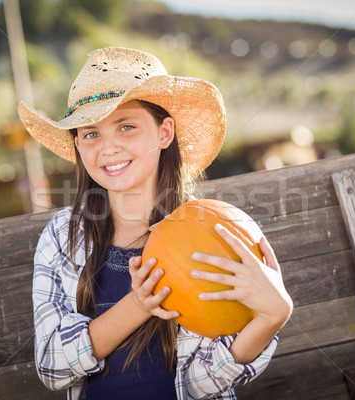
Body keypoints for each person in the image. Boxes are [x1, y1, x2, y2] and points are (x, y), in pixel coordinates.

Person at [18, 47, 293, 400]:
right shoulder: (62, 235)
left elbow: (202, 384)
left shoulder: (212, 230)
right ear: (77, 146)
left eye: (127, 126)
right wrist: (139, 304)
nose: (108, 148)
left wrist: (272, 317)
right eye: (90, 134)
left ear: (165, 133)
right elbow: (51, 367)